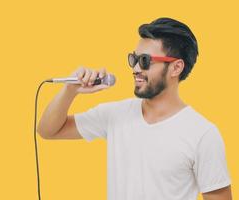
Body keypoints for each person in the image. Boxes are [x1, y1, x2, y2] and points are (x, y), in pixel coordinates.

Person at [37, 17, 232, 200]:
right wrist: (71, 90)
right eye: (134, 59)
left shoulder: (202, 134)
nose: (136, 68)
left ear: (176, 68)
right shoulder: (115, 114)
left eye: (145, 61)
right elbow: (48, 130)